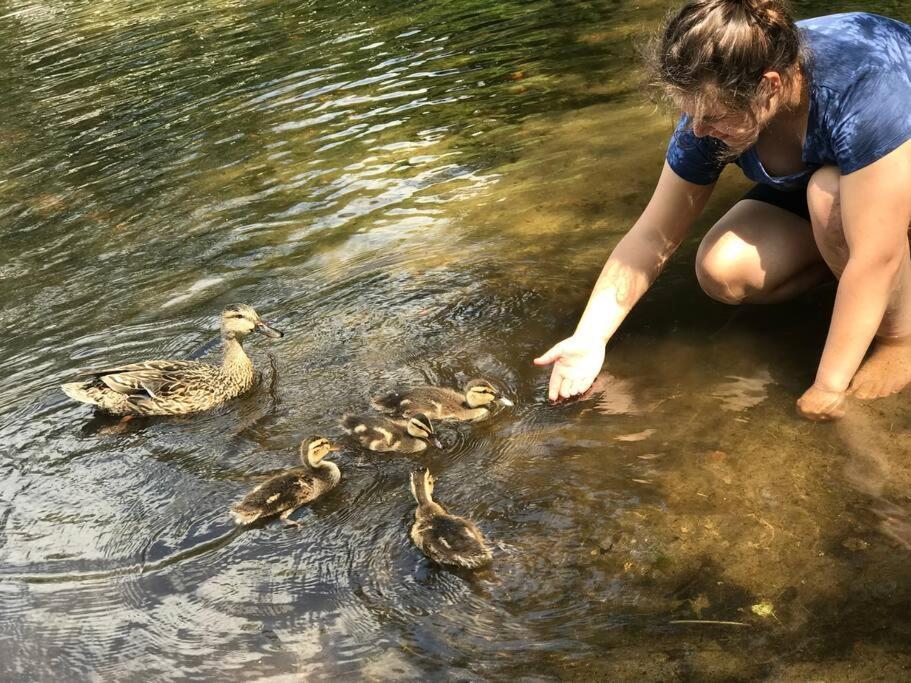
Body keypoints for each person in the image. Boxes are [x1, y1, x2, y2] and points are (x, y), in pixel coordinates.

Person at [534, 0, 911, 421]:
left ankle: (901, 337)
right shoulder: (713, 103)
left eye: (712, 117)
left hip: (891, 158)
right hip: (836, 179)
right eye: (690, 114)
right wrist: (589, 337)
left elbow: (876, 258)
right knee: (724, 271)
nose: (698, 131)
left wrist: (828, 385)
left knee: (831, 199)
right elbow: (653, 234)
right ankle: (847, 269)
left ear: (770, 86)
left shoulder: (865, 88)